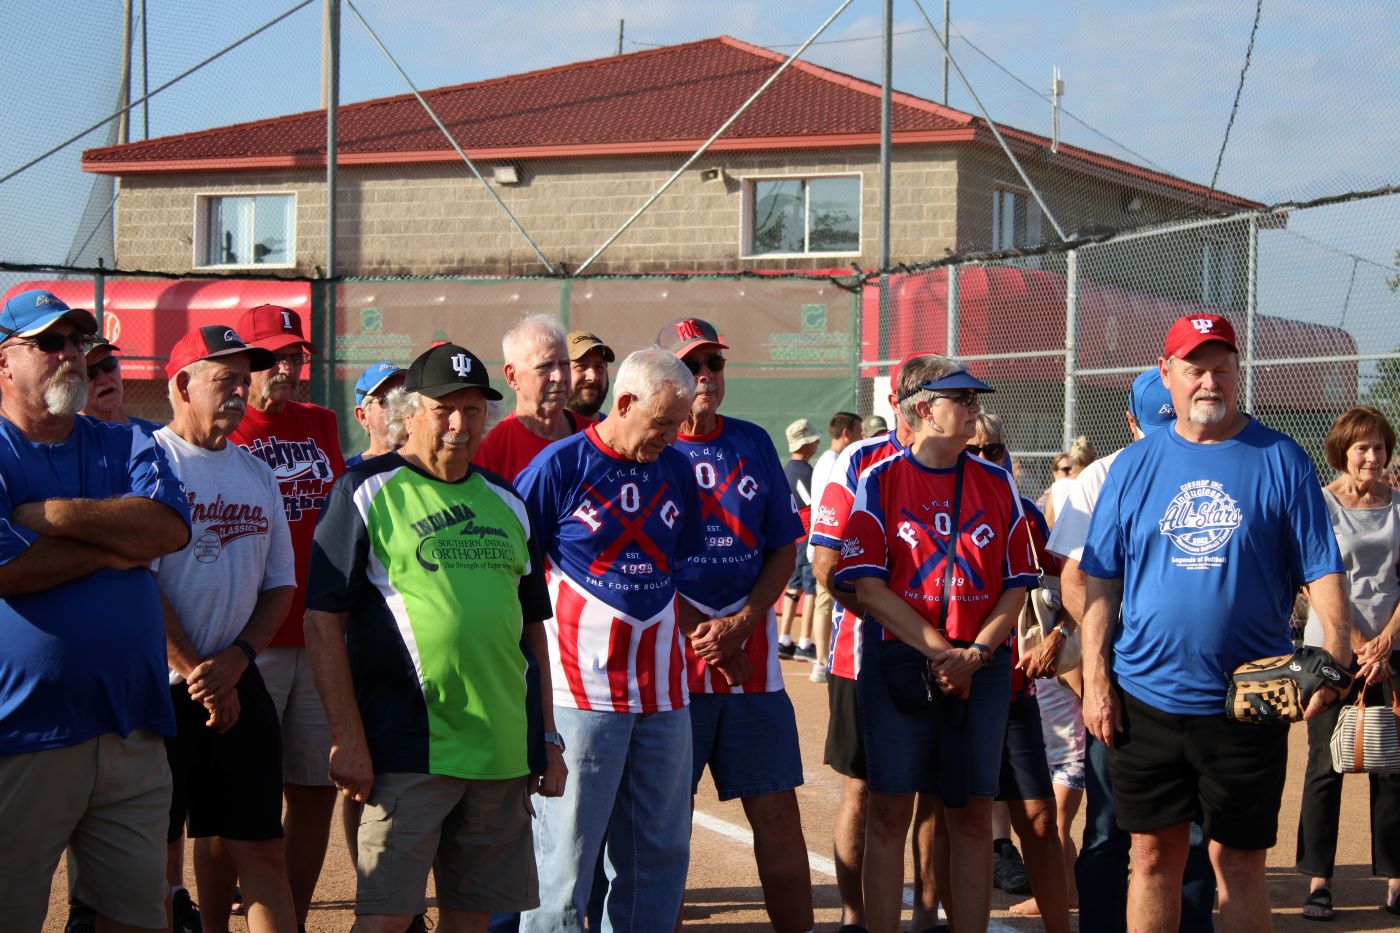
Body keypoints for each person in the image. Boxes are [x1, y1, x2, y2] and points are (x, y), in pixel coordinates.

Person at [1079, 313, 1354, 932]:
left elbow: (1322, 570)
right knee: (1151, 856)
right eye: (1195, 368)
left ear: (1238, 374)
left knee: (1240, 862)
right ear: (1167, 375)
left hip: (1247, 700)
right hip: (1145, 696)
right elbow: (1100, 580)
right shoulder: (1132, 467)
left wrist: (1333, 658)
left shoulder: (1281, 459)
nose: (1210, 381)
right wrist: (1096, 678)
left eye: (1222, 367)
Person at [304, 342, 565, 932]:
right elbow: (322, 621)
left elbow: (531, 632)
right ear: (410, 410)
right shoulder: (365, 490)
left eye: (473, 409)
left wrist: (546, 737)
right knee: (386, 918)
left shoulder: (507, 502)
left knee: (471, 920)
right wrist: (346, 736)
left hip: (499, 752)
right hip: (408, 748)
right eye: (445, 407)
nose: (459, 423)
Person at [0, 289, 192, 933]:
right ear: (3, 361)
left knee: (135, 919)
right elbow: (11, 572)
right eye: (49, 343)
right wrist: (113, 548)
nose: (72, 357)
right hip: (21, 732)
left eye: (79, 343)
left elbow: (164, 531)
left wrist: (52, 518)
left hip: (130, 722)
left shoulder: (128, 441)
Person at [835, 355, 1036, 933]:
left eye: (976, 398)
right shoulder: (879, 479)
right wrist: (939, 652)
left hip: (982, 664)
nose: (976, 408)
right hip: (901, 664)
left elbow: (1016, 586)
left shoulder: (997, 481)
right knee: (889, 811)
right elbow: (867, 587)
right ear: (924, 409)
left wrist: (974, 653)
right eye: (963, 399)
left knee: (972, 814)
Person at [515, 347, 709, 932]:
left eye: (679, 425)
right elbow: (516, 576)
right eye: (663, 422)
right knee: (564, 863)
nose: (673, 436)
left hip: (664, 696)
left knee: (657, 856)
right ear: (624, 403)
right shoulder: (559, 467)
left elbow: (680, 559)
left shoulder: (676, 470)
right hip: (581, 695)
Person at [1042, 367, 1217, 933]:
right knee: (1112, 825)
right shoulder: (1103, 474)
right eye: (1156, 424)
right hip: (1122, 675)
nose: (1167, 431)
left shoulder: (1216, 461)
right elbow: (1070, 575)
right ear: (1131, 423)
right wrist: (1106, 658)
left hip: (1196, 681)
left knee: (1189, 827)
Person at [668, 317, 813, 932]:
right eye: (691, 366)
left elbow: (784, 544)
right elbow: (633, 558)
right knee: (663, 820)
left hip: (755, 668)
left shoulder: (752, 442)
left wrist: (746, 622)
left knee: (778, 813)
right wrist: (711, 634)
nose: (705, 376)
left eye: (714, 364)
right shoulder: (649, 445)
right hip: (671, 670)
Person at [154, 325, 297, 933]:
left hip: (240, 681)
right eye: (225, 379)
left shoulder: (255, 471)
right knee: (155, 858)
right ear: (183, 384)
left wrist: (236, 661)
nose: (240, 391)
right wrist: (198, 673)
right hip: (160, 692)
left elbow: (281, 586)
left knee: (259, 846)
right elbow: (139, 585)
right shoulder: (149, 462)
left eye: (245, 379)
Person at [809, 359, 942, 933]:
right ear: (902, 403)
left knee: (935, 790)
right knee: (864, 790)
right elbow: (826, 566)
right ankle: (855, 917)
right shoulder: (858, 461)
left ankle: (927, 915)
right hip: (863, 657)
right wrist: (902, 627)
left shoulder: (971, 463)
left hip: (945, 655)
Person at [228, 303, 346, 930]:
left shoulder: (321, 422)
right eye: (272, 357)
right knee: (238, 795)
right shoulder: (227, 429)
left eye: (294, 355)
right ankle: (220, 919)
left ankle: (289, 919)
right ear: (243, 366)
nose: (286, 368)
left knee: (313, 790)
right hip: (253, 638)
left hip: (318, 631)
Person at [967, 413, 1071, 933]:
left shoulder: (1027, 514)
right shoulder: (922, 502)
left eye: (996, 449)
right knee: (949, 822)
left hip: (1011, 690)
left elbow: (1074, 581)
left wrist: (1061, 633)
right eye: (977, 449)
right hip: (949, 689)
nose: (989, 459)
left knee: (1040, 816)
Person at [1295, 406, 1400, 920]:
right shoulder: (1321, 505)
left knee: (1393, 765)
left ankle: (1396, 881)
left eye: (1380, 447)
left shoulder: (1399, 506)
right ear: (1343, 451)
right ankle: (1320, 882)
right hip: (1331, 652)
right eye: (1363, 448)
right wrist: (1359, 643)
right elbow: (1312, 579)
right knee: (1325, 766)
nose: (1373, 457)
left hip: (1392, 651)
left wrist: (1386, 642)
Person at [475, 314, 577, 475]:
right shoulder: (490, 450)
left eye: (565, 364)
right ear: (512, 376)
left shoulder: (596, 437)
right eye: (545, 366)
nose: (559, 376)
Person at [807, 412, 862, 684]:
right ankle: (821, 661)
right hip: (826, 545)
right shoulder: (836, 462)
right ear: (847, 433)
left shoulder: (827, 461)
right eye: (859, 431)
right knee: (826, 604)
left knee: (824, 604)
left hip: (822, 541)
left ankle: (821, 660)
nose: (862, 437)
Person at [777, 418, 821, 663]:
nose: (816, 443)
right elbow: (812, 505)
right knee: (811, 587)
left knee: (794, 586)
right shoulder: (803, 471)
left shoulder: (786, 469)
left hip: (794, 537)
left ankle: (784, 638)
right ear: (806, 444)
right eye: (813, 439)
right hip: (807, 536)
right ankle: (805, 641)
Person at [81, 335, 163, 433]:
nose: (103, 380)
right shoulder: (66, 442)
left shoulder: (157, 438)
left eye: (108, 364)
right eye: (89, 373)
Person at [347, 361, 405, 467]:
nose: (398, 406)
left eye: (404, 397)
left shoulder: (430, 466)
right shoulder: (348, 474)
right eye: (386, 400)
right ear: (363, 416)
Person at [1044, 436, 1096, 525]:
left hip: (1062, 538)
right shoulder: (1095, 485)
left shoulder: (1057, 487)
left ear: (1071, 458)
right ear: (1092, 459)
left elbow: (1049, 523)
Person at [565, 329, 614, 422]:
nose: (593, 377)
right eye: (581, 366)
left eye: (599, 367)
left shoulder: (615, 433)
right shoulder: (543, 431)